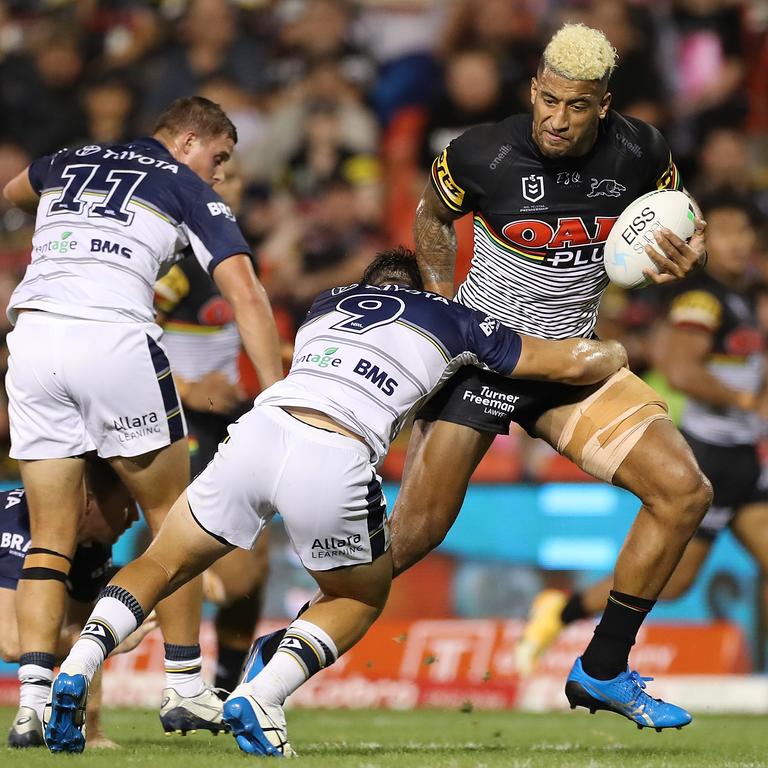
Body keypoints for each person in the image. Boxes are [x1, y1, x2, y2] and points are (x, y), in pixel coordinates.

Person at [45, 248, 628, 755]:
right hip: (335, 449)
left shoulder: (325, 303)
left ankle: (77, 664)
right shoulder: (453, 319)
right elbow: (570, 362)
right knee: (357, 595)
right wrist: (615, 353)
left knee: (163, 559)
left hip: (258, 432)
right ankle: (261, 696)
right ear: (424, 286)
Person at [383, 22, 711, 730]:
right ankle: (282, 655)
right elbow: (431, 216)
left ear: (605, 104)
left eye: (578, 107)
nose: (558, 119)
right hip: (487, 356)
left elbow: (680, 220)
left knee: (684, 492)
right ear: (534, 90)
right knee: (414, 534)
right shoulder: (479, 152)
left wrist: (689, 248)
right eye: (550, 101)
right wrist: (444, 314)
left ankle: (602, 668)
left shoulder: (642, 151)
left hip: (571, 362)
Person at [2, 96, 283, 737]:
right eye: (218, 158)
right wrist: (278, 399)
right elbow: (246, 291)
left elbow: (15, 191)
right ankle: (184, 685)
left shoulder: (66, 159)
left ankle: (31, 706)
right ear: (187, 141)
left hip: (34, 338)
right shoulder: (182, 184)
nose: (217, 174)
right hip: (111, 339)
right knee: (174, 523)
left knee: (51, 537)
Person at [516, 190, 768, 672]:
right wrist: (744, 401)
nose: (738, 243)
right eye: (729, 231)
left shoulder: (743, 295)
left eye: (746, 232)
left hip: (744, 456)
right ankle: (561, 611)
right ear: (711, 236)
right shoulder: (702, 298)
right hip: (709, 456)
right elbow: (678, 369)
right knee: (669, 582)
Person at [153, 157, 270, 694]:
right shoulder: (178, 263)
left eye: (237, 176)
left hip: (230, 419)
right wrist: (191, 389)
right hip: (177, 418)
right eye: (223, 176)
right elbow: (132, 330)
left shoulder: (236, 256)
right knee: (186, 550)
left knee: (254, 563)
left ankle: (224, 689)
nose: (232, 186)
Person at [3, 460, 155, 748]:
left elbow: (82, 629)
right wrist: (101, 643)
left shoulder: (93, 547)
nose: (134, 517)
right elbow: (12, 646)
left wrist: (92, 733)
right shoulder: (22, 523)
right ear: (88, 502)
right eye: (127, 504)